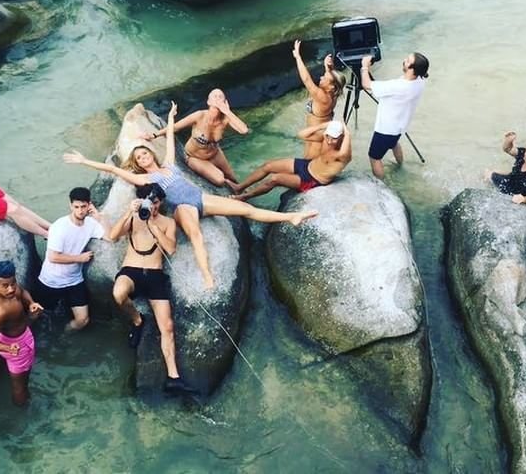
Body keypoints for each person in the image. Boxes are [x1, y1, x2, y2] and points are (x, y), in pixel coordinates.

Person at [65, 102, 317, 290]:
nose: (144, 157)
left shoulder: (169, 164)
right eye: (140, 157)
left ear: (151, 154)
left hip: (200, 197)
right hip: (183, 207)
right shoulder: (145, 179)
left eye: (145, 153)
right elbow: (113, 169)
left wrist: (171, 117)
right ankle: (207, 275)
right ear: (138, 164)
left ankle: (291, 217)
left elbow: (171, 137)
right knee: (196, 235)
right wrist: (84, 161)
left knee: (247, 210)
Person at [107, 183, 193, 395]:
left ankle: (173, 378)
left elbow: (171, 249)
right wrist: (129, 212)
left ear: (160, 202)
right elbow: (112, 236)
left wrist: (154, 226)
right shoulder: (134, 217)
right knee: (118, 293)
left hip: (155, 275)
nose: (152, 207)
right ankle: (138, 320)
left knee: (168, 326)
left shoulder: (168, 222)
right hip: (131, 271)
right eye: (149, 202)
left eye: (155, 202)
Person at [33, 187, 110, 331]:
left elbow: (110, 237)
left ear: (89, 205)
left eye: (83, 207)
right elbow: (53, 257)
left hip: (74, 280)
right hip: (51, 281)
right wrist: (79, 258)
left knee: (83, 320)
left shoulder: (91, 224)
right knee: (40, 316)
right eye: (76, 207)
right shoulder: (59, 226)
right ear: (70, 206)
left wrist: (100, 217)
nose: (80, 211)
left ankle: (65, 334)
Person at [143, 88, 248, 189]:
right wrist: (155, 135)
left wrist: (227, 112)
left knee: (232, 177)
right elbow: (176, 127)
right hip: (194, 157)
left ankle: (240, 192)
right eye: (214, 96)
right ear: (209, 102)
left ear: (225, 102)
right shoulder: (199, 115)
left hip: (215, 153)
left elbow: (244, 130)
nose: (217, 98)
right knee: (220, 180)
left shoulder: (225, 119)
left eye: (220, 96)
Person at [231, 120, 353, 201]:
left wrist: (347, 133)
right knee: (268, 165)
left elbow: (345, 153)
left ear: (342, 137)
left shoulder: (342, 155)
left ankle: (246, 196)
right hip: (306, 166)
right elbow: (301, 134)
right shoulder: (325, 138)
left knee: (274, 179)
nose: (330, 141)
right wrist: (323, 126)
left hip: (312, 181)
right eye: (328, 136)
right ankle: (239, 187)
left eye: (334, 138)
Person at [0, 261, 44, 406]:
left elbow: (22, 291)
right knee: (20, 386)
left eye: (13, 283)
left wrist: (31, 303)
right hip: (16, 345)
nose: (11, 289)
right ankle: (23, 410)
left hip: (2, 335)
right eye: (5, 286)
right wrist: (8, 348)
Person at [360, 52, 429, 179]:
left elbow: (366, 84)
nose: (404, 60)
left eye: (407, 61)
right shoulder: (420, 81)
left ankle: (381, 184)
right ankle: (400, 166)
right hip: (400, 127)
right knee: (394, 143)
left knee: (374, 157)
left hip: (385, 129)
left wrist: (364, 66)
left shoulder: (397, 86)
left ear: (412, 69)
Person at [293, 39, 347, 159]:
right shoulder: (334, 93)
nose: (321, 77)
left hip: (317, 137)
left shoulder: (322, 97)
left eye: (324, 78)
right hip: (317, 133)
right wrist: (328, 67)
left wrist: (298, 57)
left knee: (309, 162)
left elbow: (306, 80)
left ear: (331, 86)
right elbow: (334, 80)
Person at [485, 132, 526, 206]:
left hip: (519, 196)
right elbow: (508, 149)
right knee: (488, 173)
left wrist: (524, 199)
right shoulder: (523, 154)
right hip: (510, 182)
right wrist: (508, 140)